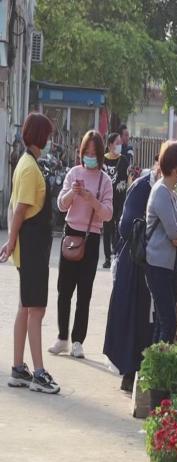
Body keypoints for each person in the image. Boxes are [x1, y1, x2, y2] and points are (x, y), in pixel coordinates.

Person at [1, 113, 60, 393]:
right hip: (31, 248)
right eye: (47, 135)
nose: (49, 140)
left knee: (26, 307)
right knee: (36, 308)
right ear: (40, 136)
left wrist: (13, 242)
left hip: (33, 247)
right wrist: (11, 241)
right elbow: (20, 210)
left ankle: (18, 368)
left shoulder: (29, 163)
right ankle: (38, 372)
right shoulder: (28, 168)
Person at [48, 131, 113, 360]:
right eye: (87, 153)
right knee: (64, 290)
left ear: (100, 155)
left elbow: (107, 214)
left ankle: (78, 341)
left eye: (94, 154)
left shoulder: (105, 180)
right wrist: (71, 194)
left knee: (84, 292)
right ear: (81, 152)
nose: (90, 157)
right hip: (70, 235)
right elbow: (61, 205)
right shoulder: (73, 173)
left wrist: (90, 198)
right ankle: (62, 337)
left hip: (91, 238)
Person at [104, 154, 160, 391]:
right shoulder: (142, 187)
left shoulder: (166, 190)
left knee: (146, 322)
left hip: (154, 264)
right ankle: (129, 370)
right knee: (132, 318)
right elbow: (126, 225)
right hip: (135, 263)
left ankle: (140, 371)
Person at [146, 141, 177, 343]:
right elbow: (175, 233)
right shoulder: (161, 192)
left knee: (163, 322)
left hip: (168, 265)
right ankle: (157, 368)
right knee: (168, 322)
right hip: (158, 265)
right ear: (175, 166)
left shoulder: (170, 193)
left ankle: (150, 369)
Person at [102, 132, 129, 268]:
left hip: (120, 199)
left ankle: (116, 254)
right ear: (110, 144)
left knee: (118, 226)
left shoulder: (124, 160)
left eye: (120, 143)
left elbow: (127, 178)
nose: (120, 145)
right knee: (107, 229)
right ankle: (107, 257)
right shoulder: (103, 160)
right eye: (117, 143)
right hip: (107, 199)